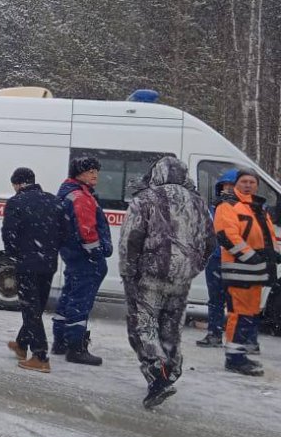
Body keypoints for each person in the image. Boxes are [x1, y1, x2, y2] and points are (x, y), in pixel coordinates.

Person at [119, 157, 215, 408]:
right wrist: (193, 266)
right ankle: (171, 370)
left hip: (149, 275)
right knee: (170, 325)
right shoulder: (198, 202)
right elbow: (210, 241)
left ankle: (157, 369)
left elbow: (131, 239)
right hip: (181, 278)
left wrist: (128, 271)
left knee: (144, 324)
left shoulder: (145, 199)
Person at [2, 167, 66, 373]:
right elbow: (64, 231)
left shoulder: (15, 202)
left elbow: (9, 233)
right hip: (48, 263)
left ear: (18, 184)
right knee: (35, 307)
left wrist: (14, 254)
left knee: (31, 309)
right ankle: (22, 344)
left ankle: (40, 355)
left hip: (27, 263)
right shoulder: (54, 200)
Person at [214, 168, 277, 376]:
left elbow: (268, 237)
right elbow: (227, 235)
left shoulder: (257, 207)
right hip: (240, 270)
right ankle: (234, 358)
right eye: (244, 181)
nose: (248, 185)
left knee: (249, 314)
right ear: (236, 184)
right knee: (239, 315)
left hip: (256, 272)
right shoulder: (228, 206)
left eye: (252, 181)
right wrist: (252, 257)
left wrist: (274, 254)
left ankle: (240, 354)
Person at [52, 156, 112, 365]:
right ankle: (76, 347)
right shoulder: (82, 196)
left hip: (72, 255)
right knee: (80, 301)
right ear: (79, 173)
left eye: (96, 170)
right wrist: (95, 255)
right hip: (84, 258)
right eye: (90, 170)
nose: (95, 174)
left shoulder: (68, 192)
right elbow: (87, 230)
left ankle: (60, 340)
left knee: (69, 296)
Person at [196, 169, 237, 348]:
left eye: (231, 186)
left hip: (235, 260)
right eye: (224, 186)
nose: (227, 190)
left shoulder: (245, 209)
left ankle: (236, 338)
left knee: (235, 300)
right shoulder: (213, 209)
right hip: (214, 259)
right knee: (215, 299)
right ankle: (214, 333)